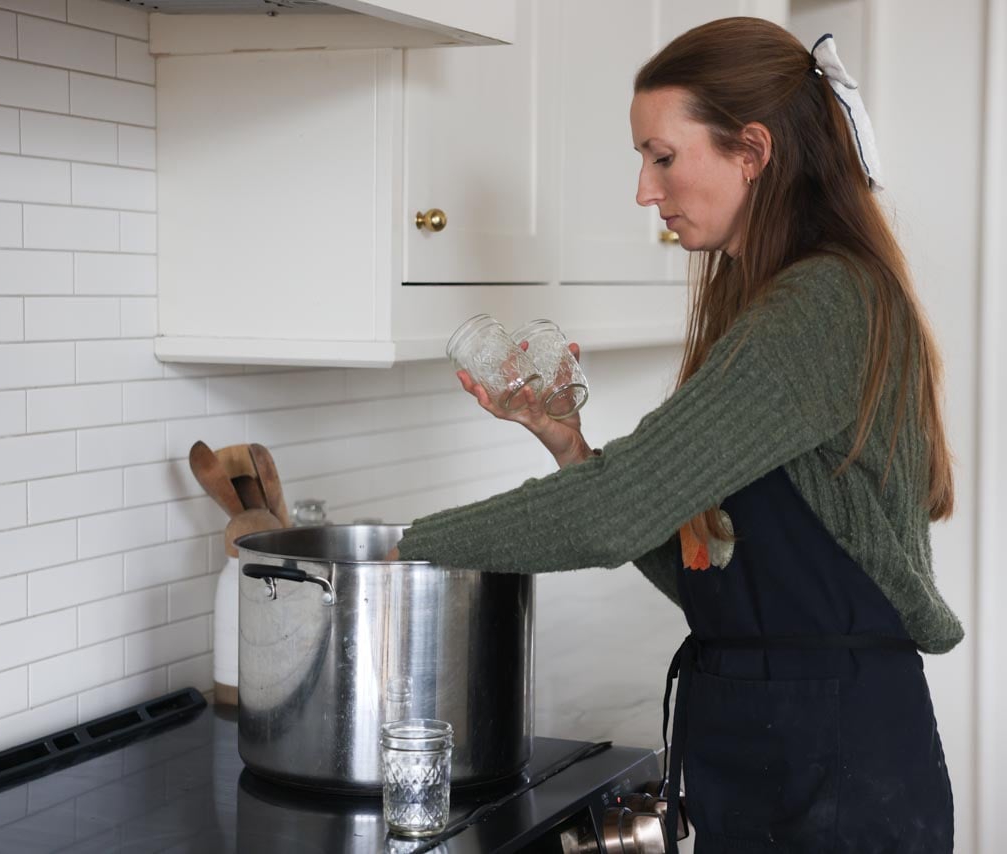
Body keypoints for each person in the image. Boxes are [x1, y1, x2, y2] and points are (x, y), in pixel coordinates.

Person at [389, 16, 959, 854]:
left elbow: (613, 515)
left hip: (833, 766)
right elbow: (715, 575)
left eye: (662, 157)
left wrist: (399, 553)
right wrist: (572, 448)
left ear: (752, 151)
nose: (644, 191)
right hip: (782, 744)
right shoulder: (776, 299)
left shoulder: (820, 306)